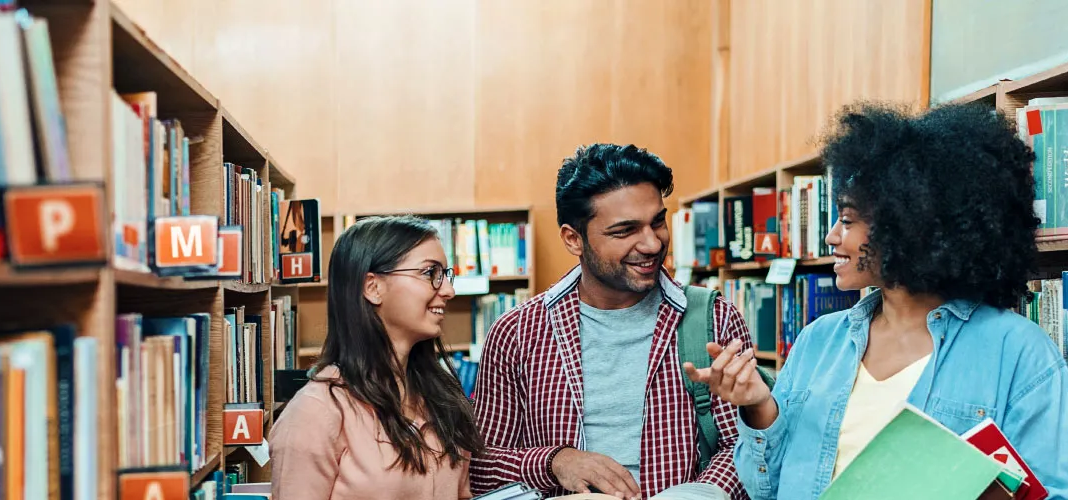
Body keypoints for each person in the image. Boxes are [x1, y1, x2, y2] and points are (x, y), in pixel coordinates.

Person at [684, 102, 1068, 499]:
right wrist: (759, 406)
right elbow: (765, 490)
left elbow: (1066, 494)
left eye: (847, 221)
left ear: (910, 226)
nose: (831, 237)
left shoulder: (1018, 353)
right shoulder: (818, 342)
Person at [471, 143, 755, 500]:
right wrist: (556, 462)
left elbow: (747, 446)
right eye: (624, 231)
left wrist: (698, 494)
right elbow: (480, 466)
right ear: (573, 239)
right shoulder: (517, 333)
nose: (652, 244)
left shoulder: (714, 318)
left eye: (657, 222)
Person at [269, 215, 482, 500]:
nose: (448, 291)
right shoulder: (315, 412)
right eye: (429, 273)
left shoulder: (440, 399)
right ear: (373, 287)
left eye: (446, 275)